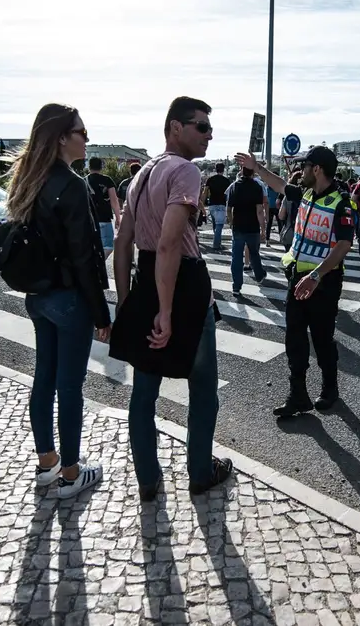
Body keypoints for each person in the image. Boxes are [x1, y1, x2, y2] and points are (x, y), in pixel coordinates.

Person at [112, 96, 233, 501]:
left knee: (143, 392)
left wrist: (128, 301)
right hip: (181, 285)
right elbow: (168, 246)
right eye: (201, 126)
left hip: (146, 281)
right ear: (175, 128)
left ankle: (149, 479)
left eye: (209, 128)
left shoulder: (143, 173)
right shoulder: (185, 172)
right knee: (203, 388)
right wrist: (166, 309)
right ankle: (200, 471)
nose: (209, 135)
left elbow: (124, 240)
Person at [7, 104, 110, 498]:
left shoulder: (28, 180)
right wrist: (101, 312)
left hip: (39, 295)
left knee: (44, 380)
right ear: (62, 137)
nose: (88, 138)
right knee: (69, 387)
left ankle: (47, 462)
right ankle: (71, 473)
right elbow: (83, 255)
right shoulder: (70, 184)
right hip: (69, 298)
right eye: (82, 132)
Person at [236, 146, 354, 416]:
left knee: (323, 339)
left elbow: (344, 244)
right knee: (295, 337)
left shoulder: (342, 202)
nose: (300, 172)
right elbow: (279, 185)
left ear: (318, 169)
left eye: (306, 166)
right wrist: (257, 168)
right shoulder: (306, 193)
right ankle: (298, 394)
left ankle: (329, 388)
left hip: (323, 281)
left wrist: (315, 276)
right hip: (297, 276)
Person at [226, 165, 268, 294]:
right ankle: (259, 274)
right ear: (253, 172)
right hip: (253, 226)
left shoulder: (234, 186)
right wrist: (263, 228)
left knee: (237, 256)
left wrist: (232, 222)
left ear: (242, 172)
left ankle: (236, 286)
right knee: (254, 252)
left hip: (238, 226)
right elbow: (259, 210)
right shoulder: (257, 187)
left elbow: (229, 208)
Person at [85, 156, 120, 257]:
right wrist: (118, 218)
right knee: (108, 246)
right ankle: (97, 265)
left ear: (89, 167)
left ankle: (93, 266)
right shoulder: (107, 180)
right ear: (101, 167)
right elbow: (114, 200)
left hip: (89, 219)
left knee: (92, 246)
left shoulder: (83, 181)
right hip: (104, 218)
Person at [201, 163, 231, 251]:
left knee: (215, 224)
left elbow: (205, 192)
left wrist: (202, 204)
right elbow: (228, 195)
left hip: (212, 204)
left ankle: (218, 242)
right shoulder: (226, 181)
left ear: (215, 169)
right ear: (223, 169)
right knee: (219, 225)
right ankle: (216, 244)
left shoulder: (210, 179)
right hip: (221, 204)